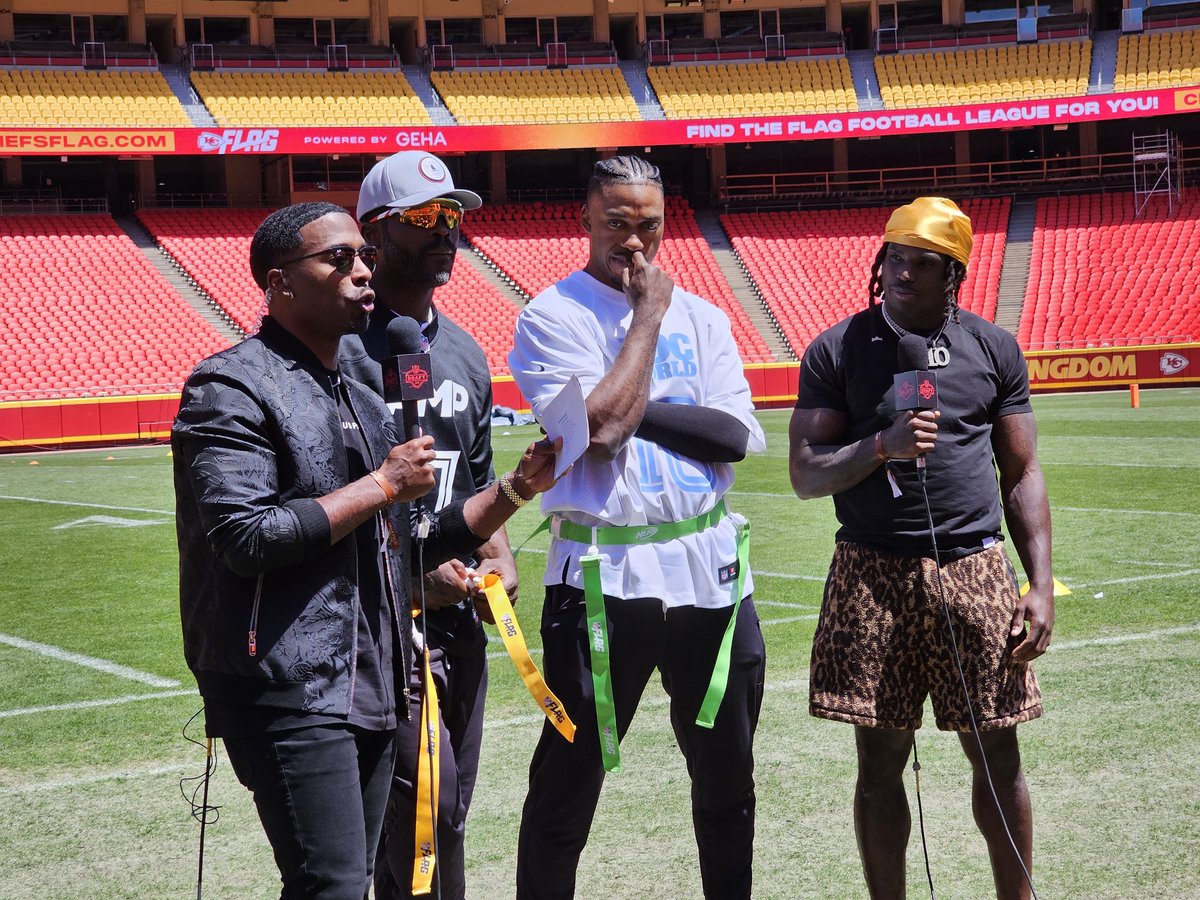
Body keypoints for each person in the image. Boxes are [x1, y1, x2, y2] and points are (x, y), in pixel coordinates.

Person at [174, 201, 559, 899]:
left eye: (364, 258)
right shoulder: (227, 387)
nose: (361, 273)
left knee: (372, 876)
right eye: (337, 259)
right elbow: (246, 537)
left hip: (377, 676)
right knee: (332, 884)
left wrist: (512, 489)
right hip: (290, 684)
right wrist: (383, 484)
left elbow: (407, 542)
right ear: (278, 281)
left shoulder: (358, 389)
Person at [508, 155, 767, 899]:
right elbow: (597, 431)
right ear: (584, 220)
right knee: (568, 780)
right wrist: (646, 322)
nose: (634, 242)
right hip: (599, 576)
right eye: (617, 224)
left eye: (648, 226)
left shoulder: (707, 316)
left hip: (711, 573)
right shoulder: (551, 316)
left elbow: (731, 437)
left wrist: (629, 406)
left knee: (728, 779)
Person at [788, 197, 1054, 900]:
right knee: (878, 761)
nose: (903, 272)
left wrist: (1041, 584)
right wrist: (881, 446)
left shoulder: (993, 348)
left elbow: (1022, 472)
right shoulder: (837, 348)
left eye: (922, 262)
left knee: (997, 751)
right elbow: (805, 474)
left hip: (975, 567)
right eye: (895, 256)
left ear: (954, 273)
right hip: (871, 572)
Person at [339, 150, 515, 900]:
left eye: (452, 215)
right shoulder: (339, 348)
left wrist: (498, 565)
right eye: (422, 217)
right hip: (374, 625)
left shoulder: (466, 353)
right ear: (373, 237)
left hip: (459, 622)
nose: (445, 230)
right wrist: (410, 578)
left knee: (449, 819)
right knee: (414, 817)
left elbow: (473, 477)